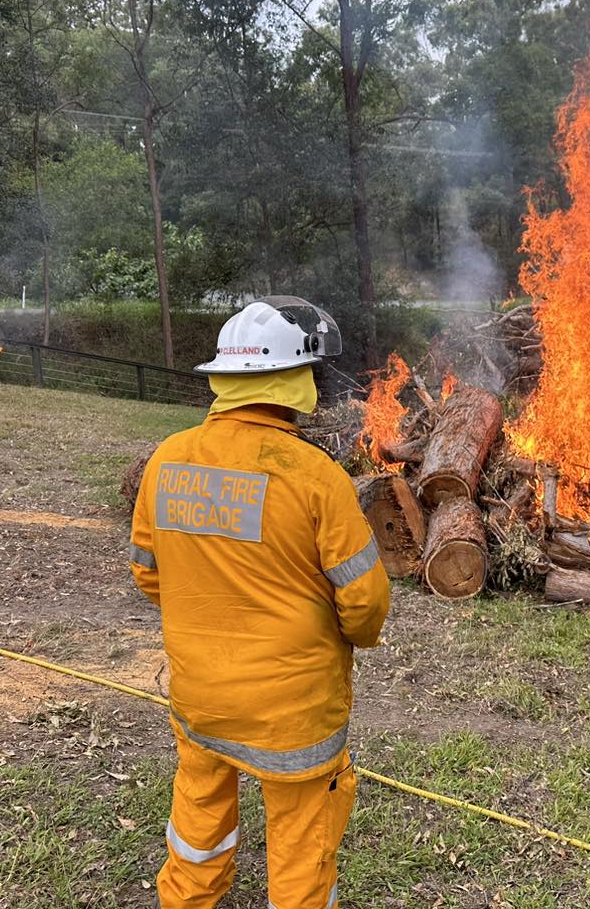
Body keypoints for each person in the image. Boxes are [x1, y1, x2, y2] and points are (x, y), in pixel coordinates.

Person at [129, 296, 390, 909]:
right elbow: (365, 600)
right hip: (291, 710)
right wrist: (351, 635)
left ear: (224, 380)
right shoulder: (314, 474)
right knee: (302, 837)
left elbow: (147, 572)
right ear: (297, 382)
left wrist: (204, 607)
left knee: (198, 820)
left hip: (200, 695)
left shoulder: (167, 459)